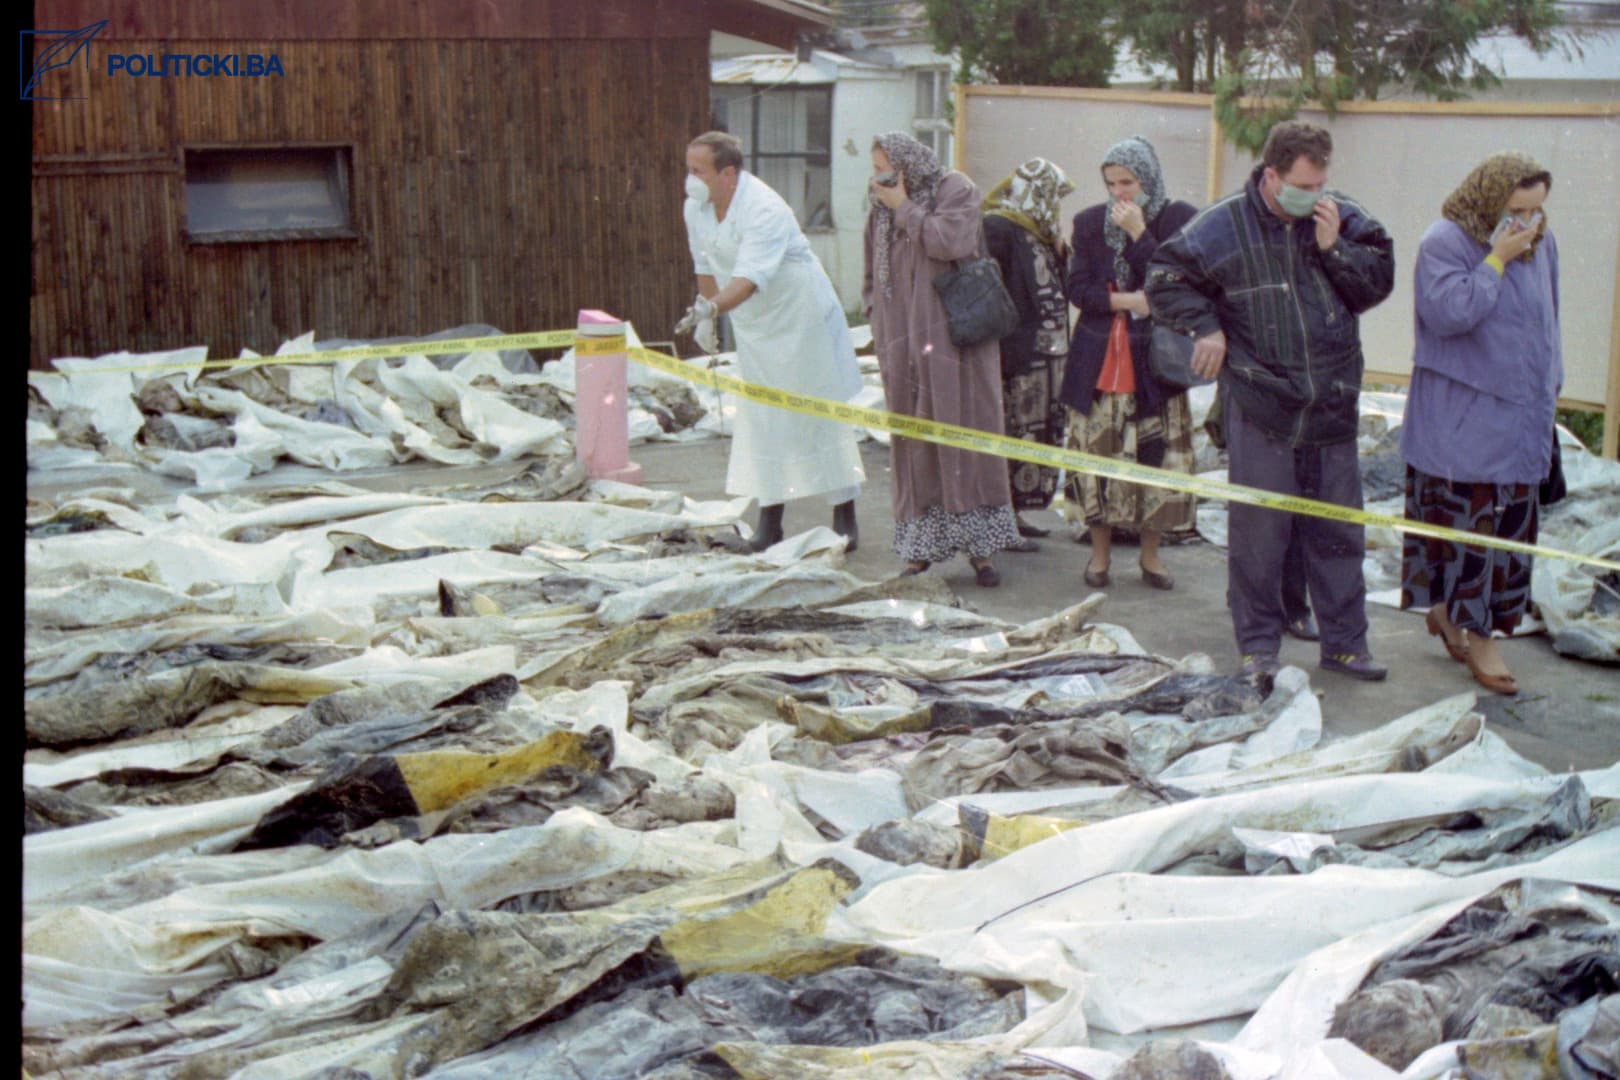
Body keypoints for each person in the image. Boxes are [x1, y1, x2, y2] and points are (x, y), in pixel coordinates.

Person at [1145, 120, 1396, 682]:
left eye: (1321, 183)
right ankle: (1259, 645)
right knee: (1259, 535)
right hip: (1262, 404)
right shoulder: (1222, 226)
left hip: (1330, 404)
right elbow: (1164, 276)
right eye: (1302, 185)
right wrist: (1206, 326)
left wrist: (1335, 251)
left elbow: (1377, 284)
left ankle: (1346, 645)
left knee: (1338, 533)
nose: (1313, 196)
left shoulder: (1341, 217)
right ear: (1272, 174)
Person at [1399, 152, 1560, 696]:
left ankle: (1449, 616)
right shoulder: (1444, 241)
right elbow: (1448, 314)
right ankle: (1479, 636)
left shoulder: (1541, 242)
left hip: (1521, 416)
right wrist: (1495, 261)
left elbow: (1547, 321)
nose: (1525, 223)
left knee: (1509, 528)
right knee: (1471, 530)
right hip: (1463, 422)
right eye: (1514, 210)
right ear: (1489, 201)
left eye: (1535, 212)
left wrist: (1550, 388)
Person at [679, 130, 865, 553]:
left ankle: (845, 518)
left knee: (816, 411)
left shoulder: (763, 207)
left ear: (727, 173)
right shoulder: (696, 206)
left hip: (799, 314)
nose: (689, 180)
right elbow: (704, 262)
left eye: (697, 171)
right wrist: (705, 306)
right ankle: (770, 524)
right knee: (762, 418)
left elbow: (747, 280)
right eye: (688, 169)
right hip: (755, 324)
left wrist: (713, 310)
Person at [864, 131, 1018, 587]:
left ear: (910, 164)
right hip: (903, 346)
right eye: (875, 170)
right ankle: (918, 549)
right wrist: (877, 318)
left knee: (966, 435)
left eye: (886, 168)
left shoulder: (956, 190)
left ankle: (982, 550)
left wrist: (904, 208)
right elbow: (871, 274)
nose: (880, 178)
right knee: (915, 442)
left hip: (955, 345)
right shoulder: (879, 208)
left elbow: (947, 242)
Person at [1057, 135, 1199, 591]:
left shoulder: (1178, 219)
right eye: (1111, 183)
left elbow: (1178, 280)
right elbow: (1076, 288)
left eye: (1129, 182)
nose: (1119, 192)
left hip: (1154, 364)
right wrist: (1127, 300)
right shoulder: (1086, 222)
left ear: (1149, 178)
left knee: (1155, 462)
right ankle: (1099, 558)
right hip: (1099, 360)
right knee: (1099, 460)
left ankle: (1151, 557)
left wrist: (1140, 234)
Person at [982, 157, 1075, 552]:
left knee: (1035, 435)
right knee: (1012, 434)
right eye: (1053, 195)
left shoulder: (1040, 231)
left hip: (1047, 361)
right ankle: (1001, 523)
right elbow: (991, 290)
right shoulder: (998, 227)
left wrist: (1060, 251)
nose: (1056, 204)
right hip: (1018, 358)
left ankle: (1016, 516)